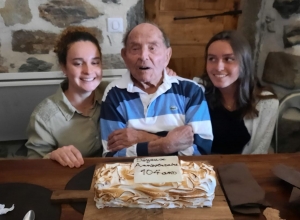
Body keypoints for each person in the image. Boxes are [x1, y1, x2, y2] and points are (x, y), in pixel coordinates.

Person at [100, 22, 213, 157]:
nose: (143, 56)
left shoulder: (191, 91)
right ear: (124, 56)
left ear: (167, 55)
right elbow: (112, 156)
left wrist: (141, 138)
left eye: (152, 48)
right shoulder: (114, 93)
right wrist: (170, 142)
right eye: (135, 49)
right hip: (131, 175)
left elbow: (201, 151)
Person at [26, 26, 107, 168]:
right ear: (63, 67)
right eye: (77, 63)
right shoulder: (44, 116)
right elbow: (34, 166)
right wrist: (52, 156)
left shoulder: (113, 93)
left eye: (95, 62)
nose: (88, 71)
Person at [196, 30, 278, 154]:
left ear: (244, 62)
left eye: (228, 59)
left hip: (243, 170)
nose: (218, 67)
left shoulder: (267, 102)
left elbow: (259, 151)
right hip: (199, 169)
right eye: (212, 58)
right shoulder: (195, 92)